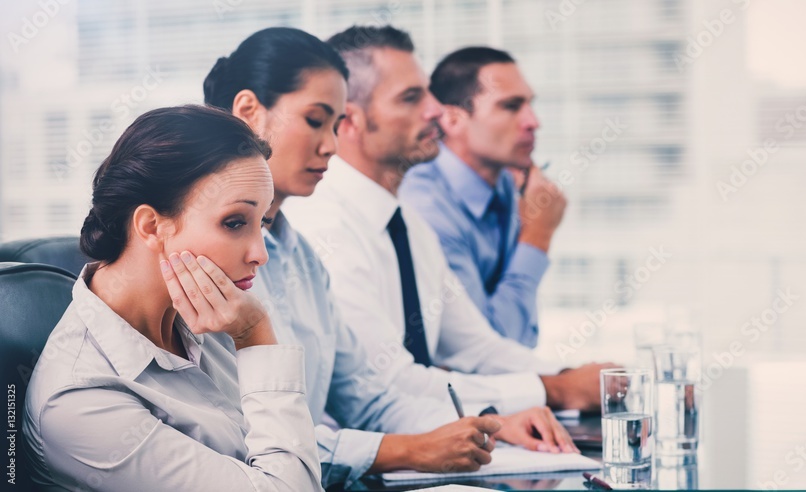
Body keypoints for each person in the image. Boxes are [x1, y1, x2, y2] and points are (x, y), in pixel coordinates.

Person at [203, 27, 577, 488]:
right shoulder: (210, 257)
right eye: (316, 121)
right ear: (249, 112)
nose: (331, 146)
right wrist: (410, 449)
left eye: (334, 124)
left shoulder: (302, 257)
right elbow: (238, 437)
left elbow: (370, 396)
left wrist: (490, 420)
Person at [283, 25, 609, 420]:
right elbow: (389, 384)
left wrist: (576, 377)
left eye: (429, 94)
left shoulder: (407, 224)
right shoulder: (324, 226)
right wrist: (553, 390)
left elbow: (476, 346)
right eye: (410, 97)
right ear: (349, 121)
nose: (436, 111)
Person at [22, 105, 323, 490]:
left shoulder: (209, 315)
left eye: (261, 222)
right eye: (234, 223)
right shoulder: (79, 401)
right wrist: (255, 336)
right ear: (151, 226)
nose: (259, 253)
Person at [399, 46, 567, 348]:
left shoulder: (507, 184)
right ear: (451, 121)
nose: (533, 121)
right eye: (511, 106)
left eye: (529, 104)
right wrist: (538, 235)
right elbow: (489, 347)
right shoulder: (426, 207)